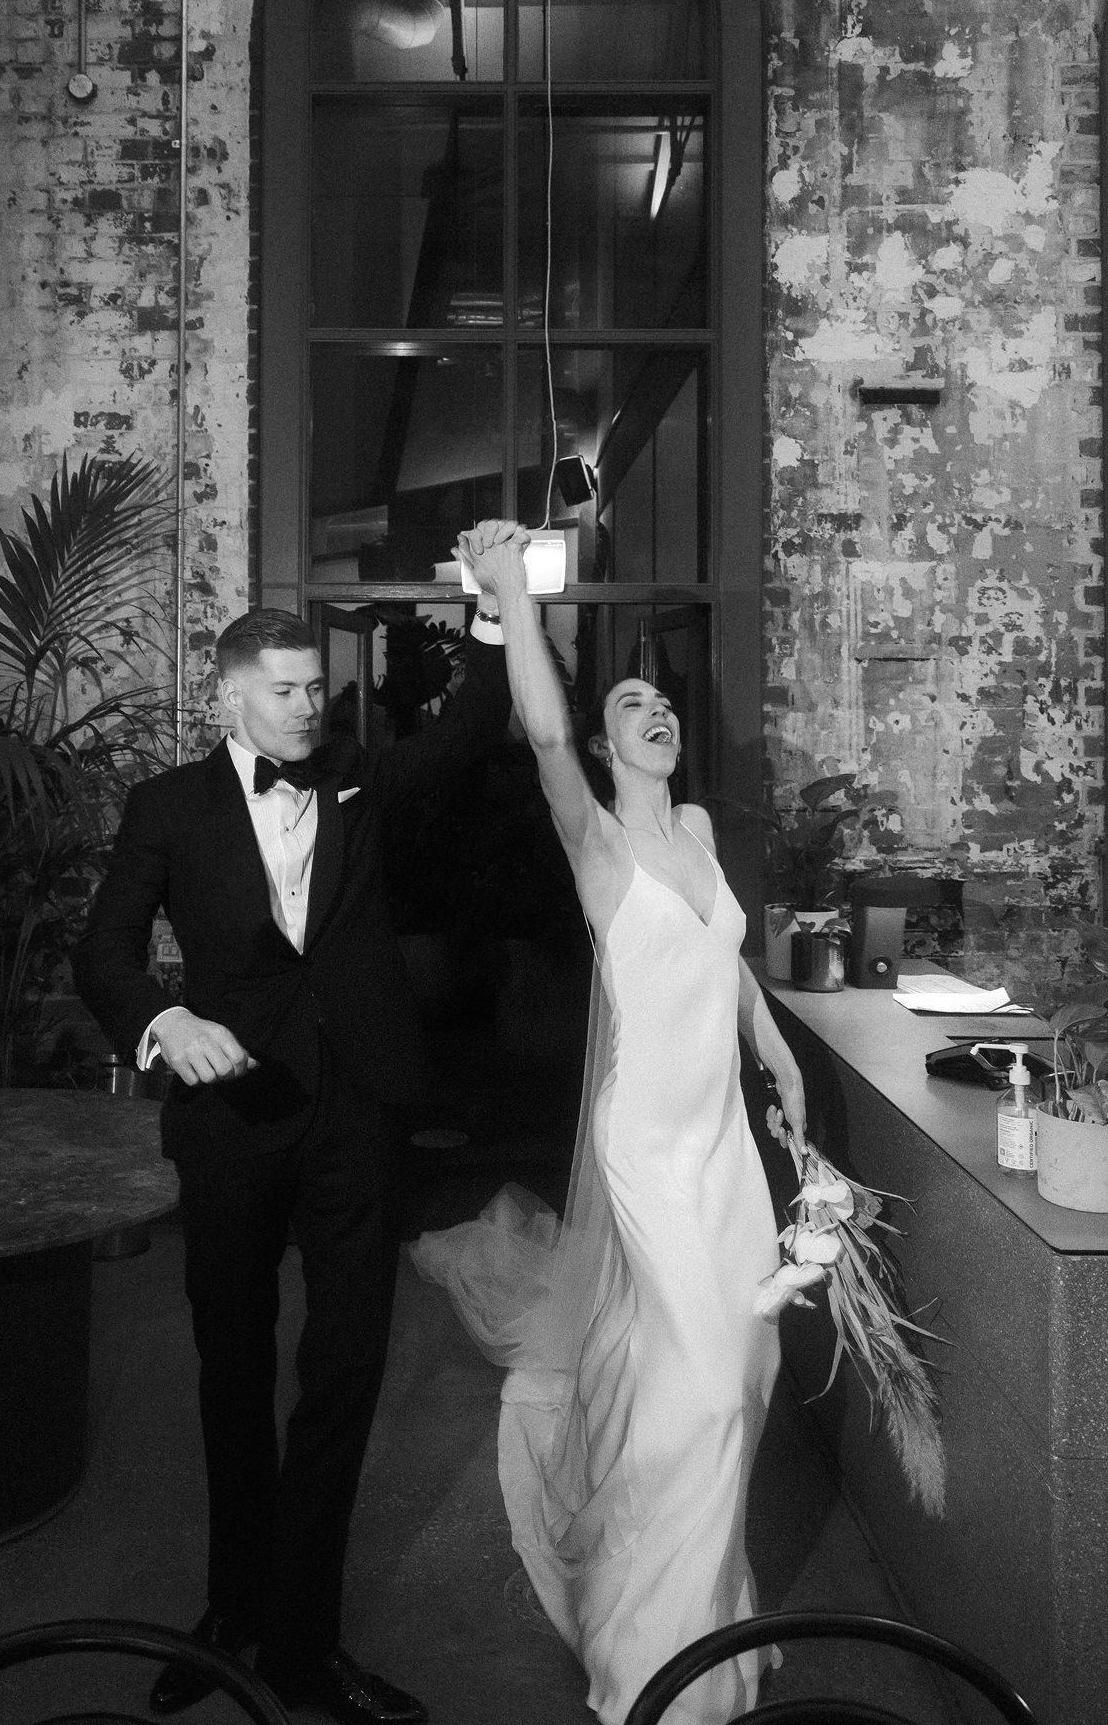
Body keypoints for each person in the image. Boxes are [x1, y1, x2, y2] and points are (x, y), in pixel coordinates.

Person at [72, 526, 521, 1721]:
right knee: (229, 1365)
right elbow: (104, 950)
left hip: (357, 1111)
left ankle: (305, 1641)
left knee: (346, 1366)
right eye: (285, 690)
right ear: (230, 695)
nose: (310, 706)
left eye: (317, 687)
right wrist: (165, 1022)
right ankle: (231, 1605)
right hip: (230, 1119)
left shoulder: (357, 779)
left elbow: (472, 735)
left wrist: (488, 606)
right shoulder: (164, 804)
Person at [412, 525, 809, 1725]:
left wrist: (776, 1048)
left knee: (748, 1369)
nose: (656, 712)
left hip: (723, 1144)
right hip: (643, 1142)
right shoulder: (598, 844)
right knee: (698, 1386)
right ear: (601, 740)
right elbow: (538, 728)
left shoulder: (692, 836)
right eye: (631, 701)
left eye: (664, 703)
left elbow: (727, 964)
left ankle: (716, 1626)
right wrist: (513, 607)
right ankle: (649, 1660)